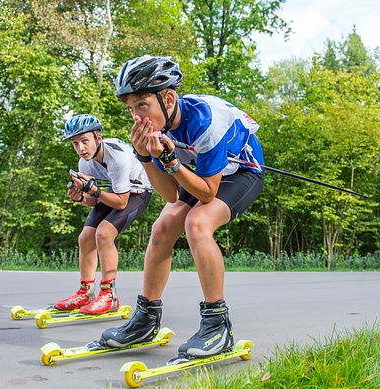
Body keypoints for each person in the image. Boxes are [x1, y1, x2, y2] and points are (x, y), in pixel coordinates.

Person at [90, 55, 265, 364]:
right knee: (163, 226)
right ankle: (146, 319)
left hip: (242, 172)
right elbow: (171, 194)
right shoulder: (159, 127)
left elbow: (208, 193)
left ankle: (218, 326)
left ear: (168, 98)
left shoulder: (206, 121)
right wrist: (146, 157)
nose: (136, 117)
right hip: (203, 172)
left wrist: (171, 161)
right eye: (131, 109)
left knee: (197, 223)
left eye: (142, 106)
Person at [54, 114, 153, 315]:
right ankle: (85, 291)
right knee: (85, 237)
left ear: (98, 138)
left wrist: (93, 190)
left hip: (137, 192)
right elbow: (95, 200)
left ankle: (109, 294)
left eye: (84, 141)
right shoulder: (85, 163)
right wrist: (81, 198)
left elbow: (121, 202)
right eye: (75, 143)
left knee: (104, 234)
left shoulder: (117, 159)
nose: (80, 148)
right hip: (115, 193)